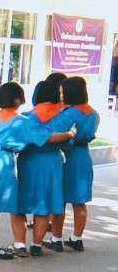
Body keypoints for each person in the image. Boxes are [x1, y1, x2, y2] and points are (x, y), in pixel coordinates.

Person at [0, 82, 75, 258]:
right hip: (3, 160)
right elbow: (47, 138)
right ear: (17, 99)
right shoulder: (22, 122)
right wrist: (69, 134)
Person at [16, 80, 77, 256]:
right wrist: (68, 135)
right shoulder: (64, 117)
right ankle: (36, 245)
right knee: (43, 206)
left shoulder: (27, 117)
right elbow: (68, 143)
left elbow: (21, 140)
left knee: (20, 205)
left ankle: (20, 244)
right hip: (52, 162)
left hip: (29, 161)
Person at [51, 76, 100, 251]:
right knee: (80, 201)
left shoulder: (69, 113)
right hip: (83, 157)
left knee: (60, 200)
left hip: (66, 156)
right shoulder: (94, 114)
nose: (60, 95)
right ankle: (77, 239)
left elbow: (55, 132)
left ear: (70, 92)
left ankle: (56, 239)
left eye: (62, 92)